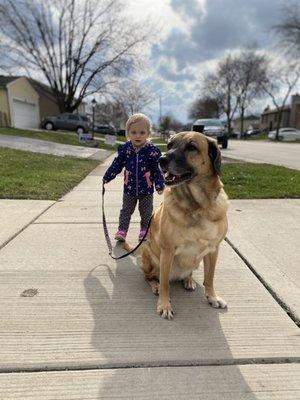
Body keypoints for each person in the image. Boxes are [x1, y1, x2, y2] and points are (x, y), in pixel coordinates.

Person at [103, 113, 165, 242]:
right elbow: (117, 164)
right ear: (128, 133)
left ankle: (145, 231)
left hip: (146, 190)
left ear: (148, 134)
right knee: (126, 211)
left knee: (146, 212)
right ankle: (122, 230)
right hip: (129, 188)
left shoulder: (152, 151)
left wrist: (159, 185)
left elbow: (157, 170)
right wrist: (107, 177)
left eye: (142, 132)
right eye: (134, 132)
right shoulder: (125, 149)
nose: (138, 135)